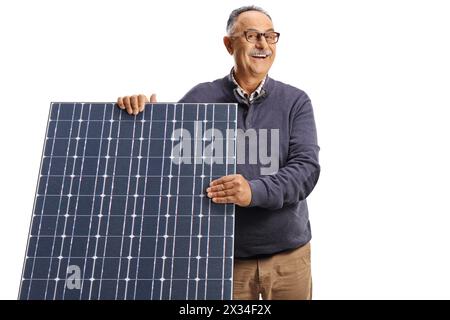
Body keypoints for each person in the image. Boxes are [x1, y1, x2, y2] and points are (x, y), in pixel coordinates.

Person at [117, 5, 320, 300]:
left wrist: (253, 191)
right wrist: (137, 117)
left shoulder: (295, 101)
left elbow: (306, 170)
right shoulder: (201, 99)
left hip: (289, 259)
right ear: (229, 44)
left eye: (270, 36)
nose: (262, 44)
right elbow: (163, 166)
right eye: (252, 35)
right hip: (223, 262)